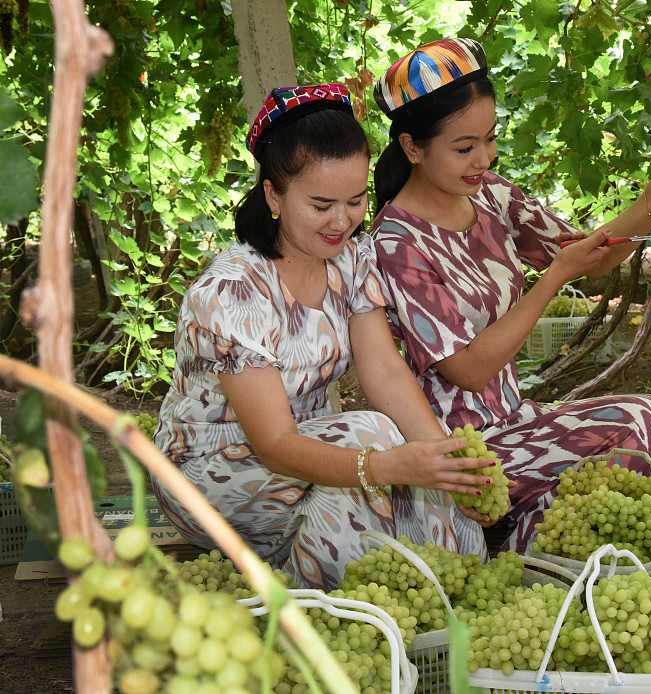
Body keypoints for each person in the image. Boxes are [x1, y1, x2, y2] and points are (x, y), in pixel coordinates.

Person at [369, 38, 651, 554]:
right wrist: (550, 280)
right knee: (647, 419)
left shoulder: (489, 194)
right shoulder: (396, 242)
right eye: (464, 148)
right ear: (412, 147)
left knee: (584, 505)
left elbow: (588, 255)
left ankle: (551, 565)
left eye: (489, 139)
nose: (482, 158)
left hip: (518, 424)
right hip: (467, 455)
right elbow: (465, 369)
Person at [152, 83, 495, 590]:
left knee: (418, 463)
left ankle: (458, 598)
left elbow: (383, 371)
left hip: (313, 448)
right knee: (372, 439)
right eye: (321, 205)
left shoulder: (352, 259)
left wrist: (450, 466)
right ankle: (356, 612)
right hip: (213, 471)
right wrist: (386, 464)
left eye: (356, 201)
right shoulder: (231, 293)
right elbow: (273, 444)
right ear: (273, 194)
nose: (342, 221)